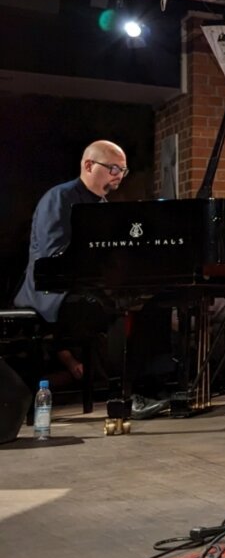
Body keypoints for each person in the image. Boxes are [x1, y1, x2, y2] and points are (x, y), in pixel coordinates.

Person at [15, 140, 128, 382]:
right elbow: (52, 254)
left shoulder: (103, 206)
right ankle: (118, 386)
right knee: (111, 309)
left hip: (82, 287)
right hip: (50, 291)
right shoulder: (59, 197)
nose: (119, 176)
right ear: (89, 165)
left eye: (123, 170)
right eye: (114, 169)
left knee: (136, 304)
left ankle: (142, 381)